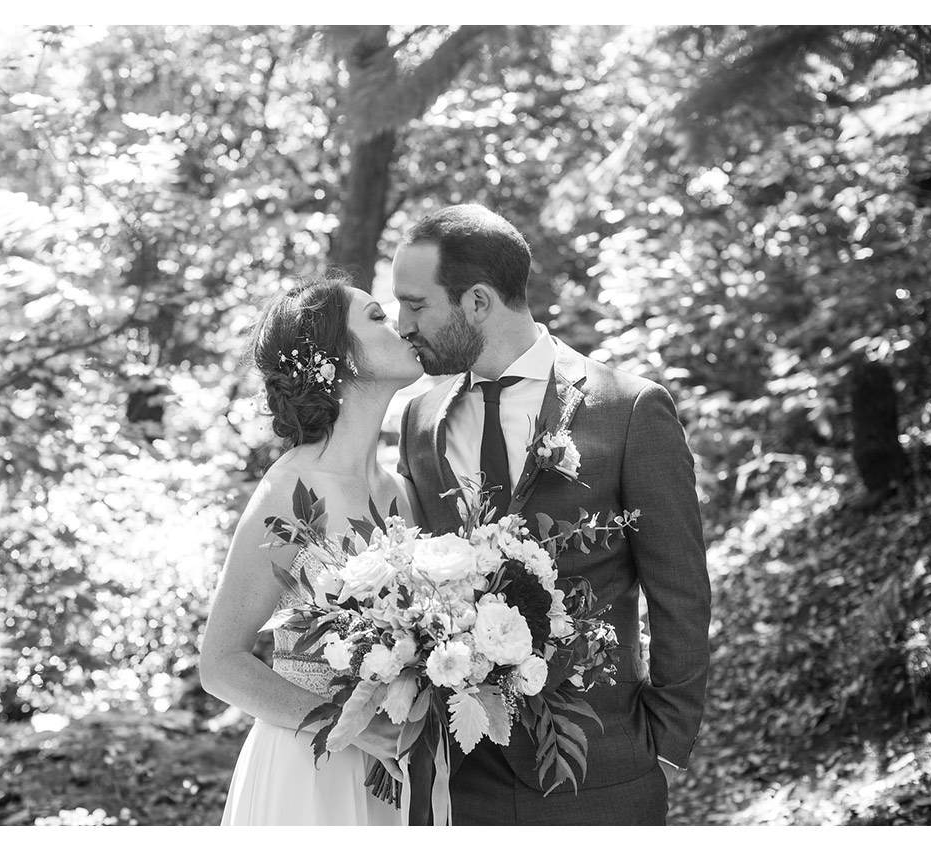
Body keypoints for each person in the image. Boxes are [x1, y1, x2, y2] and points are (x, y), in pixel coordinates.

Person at [394, 204, 711, 825]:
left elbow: (679, 585)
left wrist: (667, 741)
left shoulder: (628, 409)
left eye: (416, 305)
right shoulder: (420, 419)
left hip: (601, 768)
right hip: (459, 775)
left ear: (478, 302)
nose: (403, 325)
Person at [199, 273, 424, 825]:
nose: (399, 325)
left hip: (395, 769)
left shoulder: (400, 490)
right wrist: (344, 724)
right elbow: (220, 663)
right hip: (309, 769)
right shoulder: (289, 494)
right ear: (338, 359)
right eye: (376, 317)